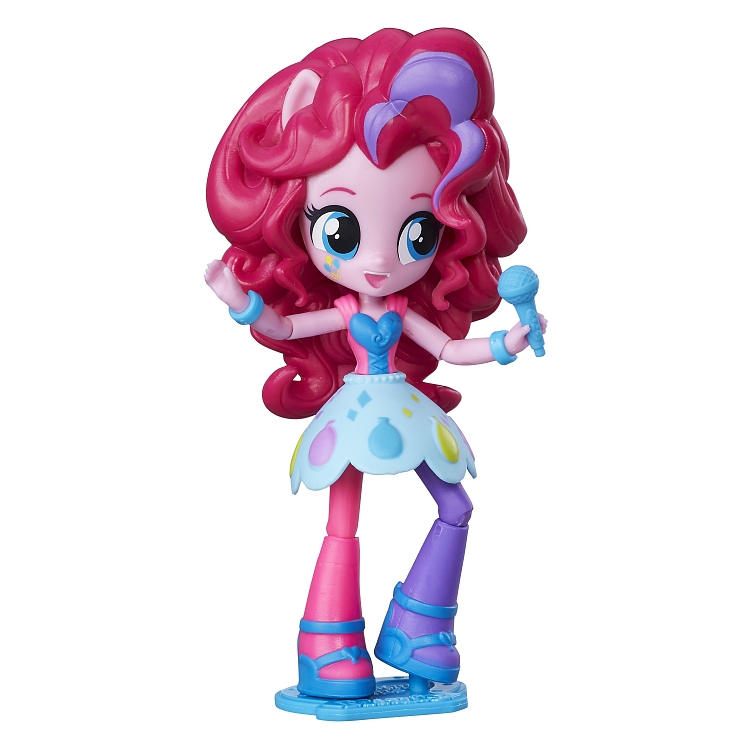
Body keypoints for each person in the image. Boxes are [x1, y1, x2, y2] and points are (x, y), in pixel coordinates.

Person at [205, 27, 545, 707]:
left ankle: (419, 630)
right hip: (356, 414)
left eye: (419, 232)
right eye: (342, 229)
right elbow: (286, 326)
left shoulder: (404, 309)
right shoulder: (340, 308)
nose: (381, 262)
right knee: (343, 521)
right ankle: (327, 646)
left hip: (406, 409)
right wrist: (240, 301)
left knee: (455, 505)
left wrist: (508, 341)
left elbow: (450, 350)